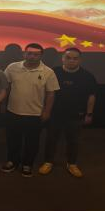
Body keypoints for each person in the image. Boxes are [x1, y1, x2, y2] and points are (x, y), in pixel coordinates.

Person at [2, 43, 59, 177]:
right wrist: (3, 105)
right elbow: (6, 87)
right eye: (29, 53)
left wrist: (47, 112)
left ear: (41, 55)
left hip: (35, 114)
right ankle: (12, 161)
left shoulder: (48, 72)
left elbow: (51, 94)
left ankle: (27, 164)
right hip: (13, 111)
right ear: (24, 54)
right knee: (12, 139)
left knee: (32, 142)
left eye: (36, 54)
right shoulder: (12, 67)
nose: (32, 56)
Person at [41, 47, 98, 178]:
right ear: (63, 58)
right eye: (68, 58)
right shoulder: (53, 72)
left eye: (75, 58)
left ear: (80, 60)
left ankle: (72, 164)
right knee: (51, 140)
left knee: (73, 141)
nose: (71, 61)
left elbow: (91, 96)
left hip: (76, 115)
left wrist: (89, 114)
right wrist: (44, 110)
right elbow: (44, 92)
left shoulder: (87, 76)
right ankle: (48, 162)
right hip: (54, 114)